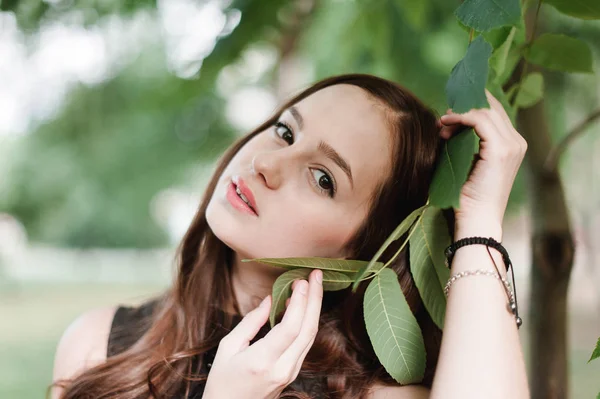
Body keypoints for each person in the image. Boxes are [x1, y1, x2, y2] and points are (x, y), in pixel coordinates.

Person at [50, 74, 530, 399]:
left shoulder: (375, 394)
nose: (266, 164)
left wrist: (481, 221)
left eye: (323, 178)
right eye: (284, 131)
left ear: (366, 249)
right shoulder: (102, 346)